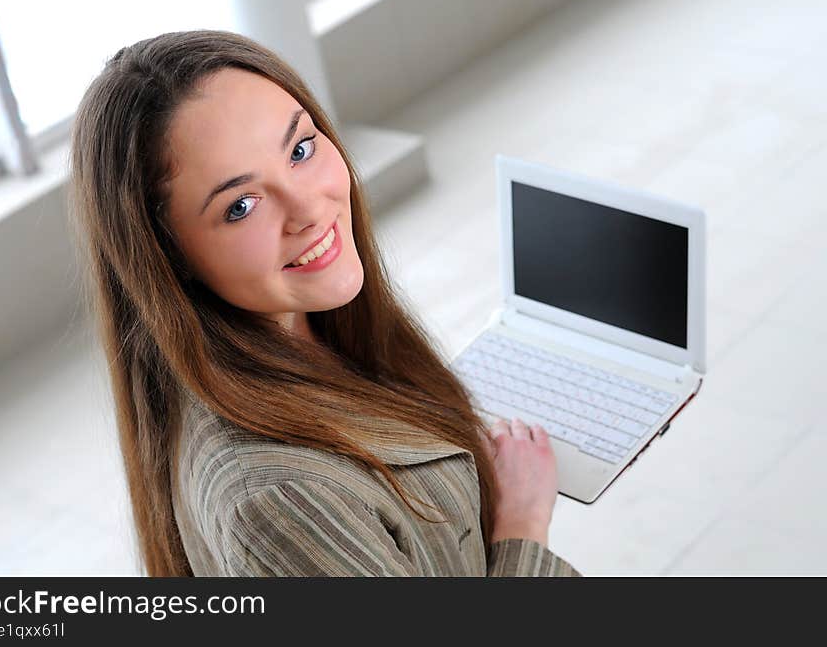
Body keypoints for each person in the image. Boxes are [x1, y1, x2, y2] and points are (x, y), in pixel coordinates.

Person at [69, 29, 581, 577]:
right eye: (241, 205)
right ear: (166, 258)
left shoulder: (312, 326)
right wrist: (523, 523)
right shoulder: (279, 504)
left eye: (300, 149)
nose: (309, 208)